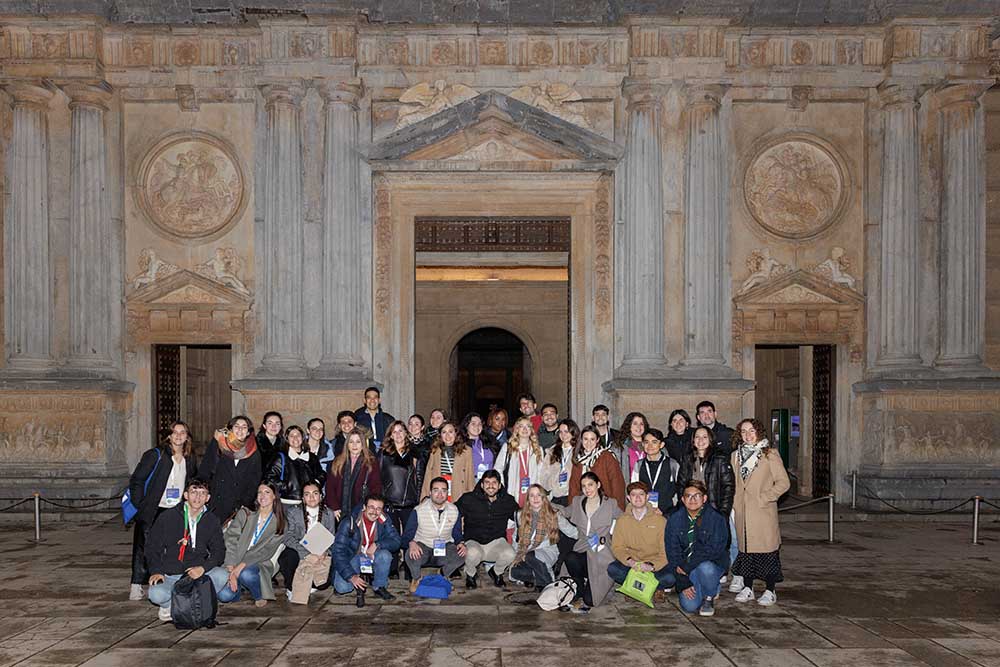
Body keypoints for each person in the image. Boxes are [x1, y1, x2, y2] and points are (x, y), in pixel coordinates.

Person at [128, 420, 199, 601]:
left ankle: (167, 580)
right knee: (145, 546)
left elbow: (192, 481)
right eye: (175, 432)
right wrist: (140, 505)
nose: (178, 436)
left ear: (187, 436)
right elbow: (137, 480)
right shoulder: (156, 455)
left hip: (176, 509)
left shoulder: (190, 458)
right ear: (168, 436)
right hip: (154, 508)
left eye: (182, 432)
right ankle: (136, 584)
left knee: (174, 546)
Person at [146, 479, 230, 622]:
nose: (198, 497)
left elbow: (219, 552)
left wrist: (203, 568)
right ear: (185, 495)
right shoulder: (167, 517)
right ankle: (169, 606)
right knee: (156, 594)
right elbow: (152, 547)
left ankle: (196, 603)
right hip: (173, 573)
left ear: (208, 498)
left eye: (202, 493)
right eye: (193, 492)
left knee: (222, 575)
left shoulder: (211, 520)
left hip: (198, 573)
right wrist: (156, 571)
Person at [728, 418, 790, 607]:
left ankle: (770, 590)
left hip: (762, 512)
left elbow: (783, 483)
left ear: (759, 432)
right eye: (744, 431)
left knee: (767, 552)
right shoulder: (735, 456)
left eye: (751, 431)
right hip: (742, 512)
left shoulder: (769, 454)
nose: (747, 435)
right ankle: (748, 588)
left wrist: (765, 497)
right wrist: (734, 504)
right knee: (746, 551)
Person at [665, 480, 730, 616]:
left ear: (704, 498)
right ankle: (707, 585)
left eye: (697, 496)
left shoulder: (716, 519)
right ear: (683, 500)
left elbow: (713, 550)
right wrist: (682, 581)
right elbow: (672, 551)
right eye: (688, 496)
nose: (692, 499)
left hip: (711, 564)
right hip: (686, 569)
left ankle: (709, 596)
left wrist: (686, 566)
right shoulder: (674, 519)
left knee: (705, 568)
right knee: (689, 606)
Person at [560, 471, 622, 611]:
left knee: (590, 601)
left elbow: (625, 518)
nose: (587, 489)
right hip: (583, 547)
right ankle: (579, 585)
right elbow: (565, 511)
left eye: (590, 485)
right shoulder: (578, 501)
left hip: (601, 551)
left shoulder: (610, 503)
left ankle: (597, 584)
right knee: (570, 557)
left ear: (598, 485)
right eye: (584, 486)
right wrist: (549, 506)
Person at [219, 483, 286, 606]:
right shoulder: (245, 513)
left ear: (274, 496)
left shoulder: (280, 522)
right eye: (260, 492)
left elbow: (266, 551)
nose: (262, 496)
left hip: (259, 561)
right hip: (235, 558)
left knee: (246, 574)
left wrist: (242, 565)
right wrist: (231, 567)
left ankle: (258, 595)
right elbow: (230, 539)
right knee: (224, 596)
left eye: (267, 492)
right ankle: (239, 587)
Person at [608, 482, 674, 602]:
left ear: (647, 497)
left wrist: (652, 566)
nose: (637, 498)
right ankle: (634, 588)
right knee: (613, 569)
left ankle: (653, 588)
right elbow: (617, 547)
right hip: (633, 565)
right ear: (628, 498)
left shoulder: (660, 521)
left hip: (654, 565)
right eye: (634, 495)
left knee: (670, 578)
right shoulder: (622, 521)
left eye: (641, 494)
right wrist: (630, 561)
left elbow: (665, 551)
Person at [332, 493, 401, 606]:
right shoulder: (349, 522)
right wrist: (351, 576)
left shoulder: (384, 519)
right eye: (371, 507)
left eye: (378, 509)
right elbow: (338, 551)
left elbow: (396, 541)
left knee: (385, 555)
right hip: (354, 556)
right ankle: (355, 582)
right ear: (364, 507)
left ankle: (379, 586)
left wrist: (378, 544)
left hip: (372, 555)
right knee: (343, 588)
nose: (374, 512)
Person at [456, 470, 519, 589]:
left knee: (510, 553)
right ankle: (471, 574)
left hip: (496, 542)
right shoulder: (469, 499)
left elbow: (520, 516)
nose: (491, 486)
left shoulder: (507, 500)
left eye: (494, 482)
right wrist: (458, 539)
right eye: (487, 482)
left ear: (499, 485)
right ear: (481, 484)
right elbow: (452, 513)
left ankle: (496, 572)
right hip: (473, 541)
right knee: (472, 553)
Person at [402, 477, 467, 592]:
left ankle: (442, 574)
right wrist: (411, 543)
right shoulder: (419, 510)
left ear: (447, 493)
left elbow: (457, 533)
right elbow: (406, 536)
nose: (440, 494)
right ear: (430, 492)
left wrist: (461, 543)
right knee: (410, 554)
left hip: (444, 548)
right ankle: (416, 578)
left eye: (444, 490)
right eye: (436, 490)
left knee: (462, 554)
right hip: (423, 548)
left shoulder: (454, 510)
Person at [380, 419, 426, 578]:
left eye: (401, 431)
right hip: (390, 502)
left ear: (406, 433)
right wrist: (381, 500)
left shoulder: (415, 453)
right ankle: (392, 568)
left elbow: (419, 478)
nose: (398, 434)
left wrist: (419, 501)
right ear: (390, 435)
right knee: (391, 537)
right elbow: (379, 478)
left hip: (409, 502)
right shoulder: (384, 454)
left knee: (409, 537)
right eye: (395, 432)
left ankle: (408, 567)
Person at [280, 481, 337, 604]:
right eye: (307, 494)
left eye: (315, 493)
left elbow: (331, 538)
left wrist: (325, 552)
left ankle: (309, 583)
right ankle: (291, 587)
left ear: (321, 496)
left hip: (319, 552)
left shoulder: (329, 514)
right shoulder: (293, 512)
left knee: (323, 584)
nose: (311, 497)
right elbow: (287, 537)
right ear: (302, 498)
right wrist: (306, 554)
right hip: (299, 550)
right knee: (287, 556)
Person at [199, 416, 262, 522]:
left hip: (239, 505)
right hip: (217, 502)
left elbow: (255, 481)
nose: (240, 429)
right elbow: (206, 469)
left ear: (248, 432)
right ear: (230, 429)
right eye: (236, 426)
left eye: (244, 427)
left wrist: (245, 502)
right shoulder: (219, 443)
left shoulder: (253, 452)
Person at [510, 484, 562, 590]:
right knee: (515, 572)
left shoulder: (553, 514)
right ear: (528, 499)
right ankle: (540, 576)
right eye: (532, 495)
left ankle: (547, 585)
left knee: (531, 556)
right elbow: (516, 537)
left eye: (538, 495)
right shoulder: (520, 514)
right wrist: (516, 554)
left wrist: (587, 537)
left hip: (546, 551)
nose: (535, 498)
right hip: (524, 552)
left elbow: (572, 531)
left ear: (543, 498)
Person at [679, 426, 735, 521]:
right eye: (697, 437)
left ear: (710, 439)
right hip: (691, 508)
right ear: (693, 440)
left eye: (705, 437)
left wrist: (723, 513)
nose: (700, 440)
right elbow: (681, 484)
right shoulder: (687, 459)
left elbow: (728, 487)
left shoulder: (720, 458)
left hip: (714, 509)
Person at [325, 431, 382, 521]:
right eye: (351, 442)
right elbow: (330, 486)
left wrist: (368, 508)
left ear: (363, 444)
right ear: (347, 444)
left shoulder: (371, 463)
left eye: (358, 442)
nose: (354, 445)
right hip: (339, 511)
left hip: (361, 510)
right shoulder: (338, 462)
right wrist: (334, 507)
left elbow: (375, 487)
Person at [569, 426, 625, 510]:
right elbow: (573, 488)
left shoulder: (607, 457)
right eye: (585, 439)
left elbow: (617, 485)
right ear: (581, 440)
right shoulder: (578, 460)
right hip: (584, 506)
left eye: (592, 439)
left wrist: (618, 509)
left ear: (597, 440)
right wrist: (572, 510)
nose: (588, 443)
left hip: (605, 506)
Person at [266, 425, 325, 505]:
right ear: (287, 439)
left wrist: (316, 483)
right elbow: (270, 477)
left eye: (298, 435)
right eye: (291, 436)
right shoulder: (281, 457)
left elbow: (321, 474)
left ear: (302, 437)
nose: (295, 438)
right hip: (289, 502)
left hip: (310, 502)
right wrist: (287, 487)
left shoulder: (312, 457)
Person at [494, 416, 546, 506]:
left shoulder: (538, 449)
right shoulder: (508, 448)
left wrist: (539, 493)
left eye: (528, 426)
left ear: (531, 430)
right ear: (517, 429)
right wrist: (502, 488)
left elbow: (541, 474)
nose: (525, 429)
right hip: (512, 492)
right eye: (521, 426)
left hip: (532, 495)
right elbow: (497, 469)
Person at [630, 428, 681, 515]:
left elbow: (678, 491)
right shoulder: (639, 465)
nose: (650, 446)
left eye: (654, 442)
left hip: (668, 512)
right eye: (646, 442)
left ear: (661, 445)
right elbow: (634, 490)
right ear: (643, 444)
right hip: (645, 512)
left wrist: (664, 509)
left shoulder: (672, 464)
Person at [421, 421, 474, 502]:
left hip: (458, 490)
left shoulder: (466, 451)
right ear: (440, 435)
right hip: (439, 491)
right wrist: (424, 497)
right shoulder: (435, 451)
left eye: (450, 432)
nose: (447, 435)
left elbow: (470, 476)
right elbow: (428, 474)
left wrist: (471, 498)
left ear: (456, 433)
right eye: (444, 432)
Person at [539, 418, 576, 505]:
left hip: (573, 495)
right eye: (561, 432)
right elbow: (544, 473)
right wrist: (550, 486)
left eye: (566, 431)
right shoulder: (552, 450)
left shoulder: (578, 450)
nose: (563, 435)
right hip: (555, 495)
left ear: (573, 432)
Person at [612, 412, 650, 486]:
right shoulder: (619, 447)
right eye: (635, 424)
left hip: (648, 488)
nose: (638, 427)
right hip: (628, 487)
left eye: (641, 424)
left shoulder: (651, 446)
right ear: (629, 426)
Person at [461, 412, 499, 482]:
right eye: (473, 424)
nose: (477, 426)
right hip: (470, 481)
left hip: (489, 482)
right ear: (466, 426)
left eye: (479, 424)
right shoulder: (461, 445)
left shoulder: (490, 442)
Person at [355, 386, 395, 452]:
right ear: (364, 400)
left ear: (379, 400)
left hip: (385, 453)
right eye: (369, 397)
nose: (372, 400)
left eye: (375, 397)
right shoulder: (357, 418)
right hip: (364, 454)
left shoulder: (389, 419)